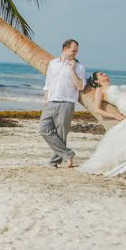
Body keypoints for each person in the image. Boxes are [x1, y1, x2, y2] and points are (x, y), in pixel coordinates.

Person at [40, 39, 86, 168]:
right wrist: (45, 99)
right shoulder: (53, 63)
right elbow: (48, 83)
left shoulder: (79, 67)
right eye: (73, 51)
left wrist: (71, 70)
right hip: (50, 101)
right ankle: (68, 154)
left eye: (76, 51)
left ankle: (55, 162)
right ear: (65, 49)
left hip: (66, 103)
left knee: (61, 135)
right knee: (43, 129)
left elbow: (80, 86)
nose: (75, 54)